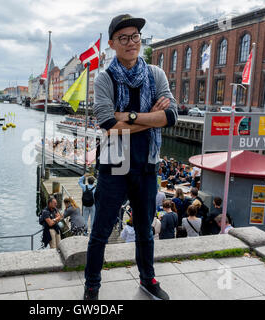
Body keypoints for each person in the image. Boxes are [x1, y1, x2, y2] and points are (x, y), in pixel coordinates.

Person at [83, 14, 178, 301]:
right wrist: (152, 118)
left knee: (146, 230)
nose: (131, 42)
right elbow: (108, 124)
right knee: (100, 231)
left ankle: (148, 278)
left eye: (135, 36)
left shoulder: (155, 74)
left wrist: (131, 116)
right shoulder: (105, 78)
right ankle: (92, 286)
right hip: (114, 165)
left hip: (147, 164)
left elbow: (171, 116)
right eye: (123, 38)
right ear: (112, 44)